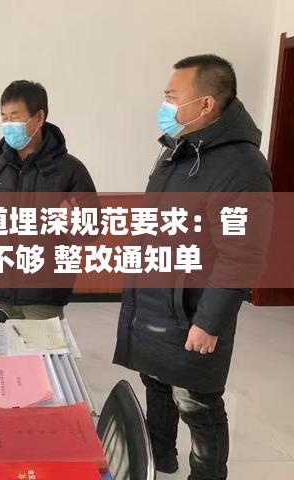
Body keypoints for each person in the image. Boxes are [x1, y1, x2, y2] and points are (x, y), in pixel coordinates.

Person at [113, 55, 272, 480]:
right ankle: (160, 457)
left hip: (192, 311)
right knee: (157, 384)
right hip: (156, 300)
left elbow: (242, 253)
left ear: (205, 104)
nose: (165, 105)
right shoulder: (177, 150)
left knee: (197, 404)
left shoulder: (242, 167)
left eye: (172, 96)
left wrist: (209, 322)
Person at [0, 80, 97, 319]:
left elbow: (92, 229)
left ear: (39, 117)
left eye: (15, 117)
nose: (8, 124)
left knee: (42, 346)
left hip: (44, 298)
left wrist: (74, 224)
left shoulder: (69, 170)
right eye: (4, 117)